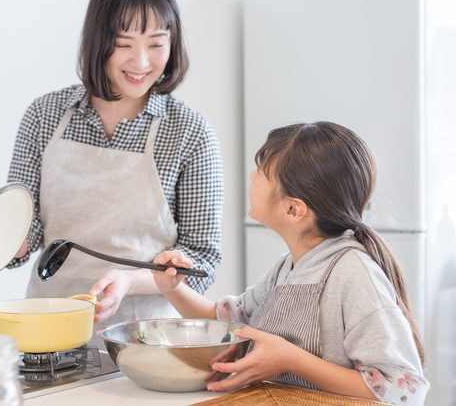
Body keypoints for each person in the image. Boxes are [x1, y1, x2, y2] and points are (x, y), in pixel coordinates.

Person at [0, 0, 223, 345]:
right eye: (123, 43)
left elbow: (202, 258)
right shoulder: (44, 115)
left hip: (147, 342)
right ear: (97, 40)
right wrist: (0, 235)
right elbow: (31, 230)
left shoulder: (190, 133)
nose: (142, 62)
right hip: (46, 330)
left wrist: (129, 281)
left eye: (157, 43)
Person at [152, 122, 428, 405]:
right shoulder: (286, 267)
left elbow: (403, 391)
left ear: (293, 209)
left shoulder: (354, 274)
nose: (252, 175)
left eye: (261, 172)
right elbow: (227, 324)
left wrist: (291, 360)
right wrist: (173, 289)